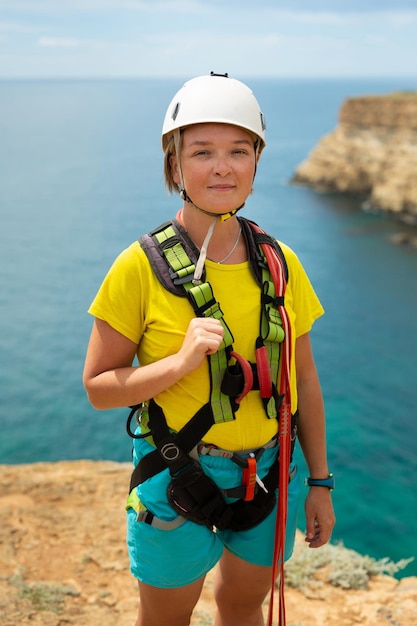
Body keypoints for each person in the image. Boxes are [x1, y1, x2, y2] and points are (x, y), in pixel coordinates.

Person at [83, 72, 335, 626]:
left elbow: (306, 380)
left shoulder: (280, 265)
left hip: (266, 473)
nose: (222, 166)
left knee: (243, 607)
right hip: (176, 473)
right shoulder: (139, 268)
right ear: (175, 165)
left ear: (255, 163)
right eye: (202, 152)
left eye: (238, 151)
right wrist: (178, 364)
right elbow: (99, 388)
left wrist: (319, 482)